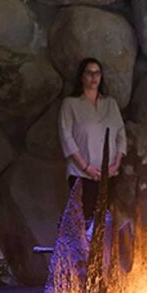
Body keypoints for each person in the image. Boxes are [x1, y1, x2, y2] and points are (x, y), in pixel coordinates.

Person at [58, 57, 126, 227]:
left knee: (105, 223)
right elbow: (66, 137)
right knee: (83, 223)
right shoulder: (70, 104)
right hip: (81, 174)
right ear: (82, 76)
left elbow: (120, 134)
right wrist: (86, 167)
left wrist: (116, 164)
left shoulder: (110, 104)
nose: (94, 77)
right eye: (89, 73)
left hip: (108, 174)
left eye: (97, 73)